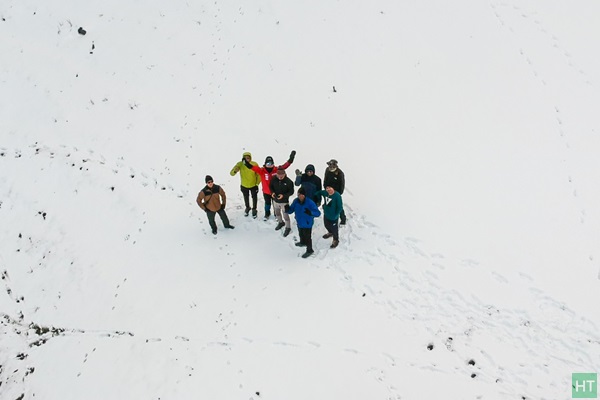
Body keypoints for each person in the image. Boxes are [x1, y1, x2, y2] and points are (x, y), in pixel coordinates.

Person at [243, 150, 296, 220]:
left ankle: (276, 215)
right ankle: (267, 213)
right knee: (267, 204)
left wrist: (291, 159)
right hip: (266, 192)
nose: (269, 166)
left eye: (271, 164)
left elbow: (285, 166)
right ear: (265, 164)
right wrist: (246, 163)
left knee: (275, 204)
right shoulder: (262, 170)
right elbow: (253, 168)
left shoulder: (276, 169)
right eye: (268, 164)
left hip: (275, 191)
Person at [287, 187, 321, 258]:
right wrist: (287, 209)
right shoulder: (296, 201)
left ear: (305, 195)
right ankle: (302, 242)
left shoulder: (310, 202)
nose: (300, 196)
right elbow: (291, 210)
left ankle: (310, 250)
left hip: (307, 223)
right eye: (299, 195)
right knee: (301, 233)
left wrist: (310, 212)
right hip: (299, 222)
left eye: (302, 195)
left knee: (307, 237)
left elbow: (318, 213)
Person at [230, 152, 261, 218]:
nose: (247, 159)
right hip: (244, 185)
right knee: (245, 197)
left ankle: (254, 209)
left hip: (253, 185)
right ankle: (247, 207)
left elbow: (259, 175)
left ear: (250, 158)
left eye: (248, 158)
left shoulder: (254, 164)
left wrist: (257, 184)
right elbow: (231, 173)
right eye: (246, 158)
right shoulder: (240, 164)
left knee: (254, 197)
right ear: (243, 158)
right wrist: (235, 171)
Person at [269, 168, 295, 237]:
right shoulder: (274, 179)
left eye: (282, 175)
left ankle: (288, 227)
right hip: (275, 200)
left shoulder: (289, 182)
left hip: (284, 202)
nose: (280, 177)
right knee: (277, 213)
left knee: (285, 215)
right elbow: (270, 186)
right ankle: (280, 222)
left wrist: (284, 196)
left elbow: (291, 192)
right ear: (276, 174)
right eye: (279, 175)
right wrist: (272, 193)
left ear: (284, 174)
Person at [323, 159, 346, 225]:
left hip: (336, 192)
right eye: (330, 166)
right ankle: (329, 217)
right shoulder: (327, 170)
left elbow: (342, 184)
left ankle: (343, 218)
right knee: (328, 204)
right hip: (328, 191)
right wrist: (326, 188)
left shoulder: (340, 173)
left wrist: (339, 193)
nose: (331, 167)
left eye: (333, 166)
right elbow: (325, 180)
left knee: (338, 206)